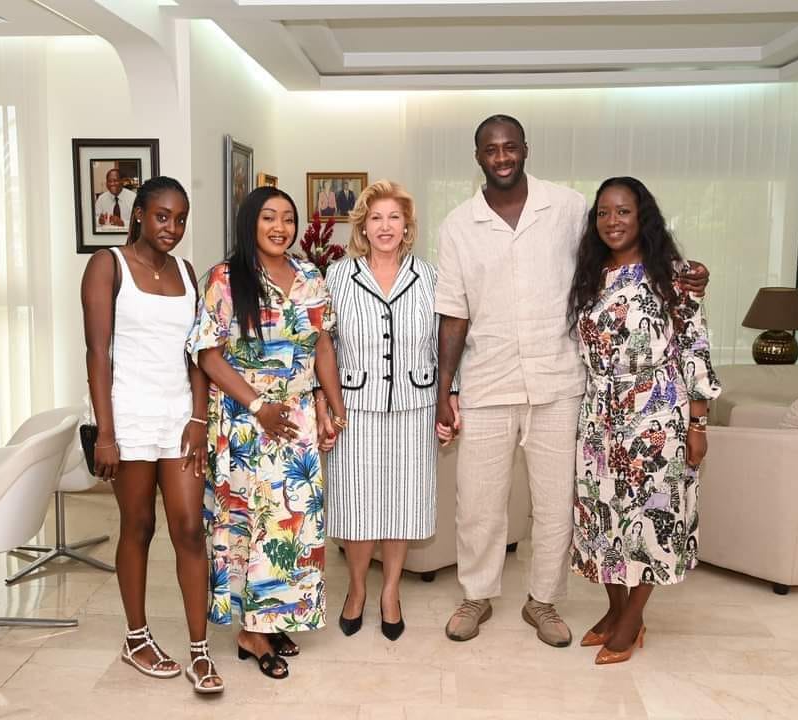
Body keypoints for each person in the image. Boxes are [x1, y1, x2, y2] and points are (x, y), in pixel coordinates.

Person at [434, 115, 710, 647]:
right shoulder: (456, 226)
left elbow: (622, 249)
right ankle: (476, 595)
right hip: (489, 382)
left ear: (525, 149)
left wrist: (685, 273)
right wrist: (446, 389)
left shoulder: (566, 208)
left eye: (510, 146)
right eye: (491, 149)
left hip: (562, 382)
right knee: (478, 502)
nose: (502, 156)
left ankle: (544, 602)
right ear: (477, 156)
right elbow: (452, 313)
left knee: (558, 502)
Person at [188, 186, 346, 680]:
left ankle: (271, 617)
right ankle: (251, 631)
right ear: (250, 223)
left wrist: (334, 406)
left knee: (293, 525)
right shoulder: (224, 277)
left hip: (295, 421)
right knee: (250, 528)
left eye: (288, 219)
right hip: (245, 420)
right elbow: (208, 354)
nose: (280, 227)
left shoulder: (309, 276)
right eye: (269, 218)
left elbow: (321, 345)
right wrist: (257, 406)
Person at [568, 176, 721, 664]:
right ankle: (614, 610)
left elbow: (695, 346)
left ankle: (632, 620)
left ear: (643, 217)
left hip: (655, 410)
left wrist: (698, 424)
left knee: (649, 517)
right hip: (599, 414)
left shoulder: (674, 275)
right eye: (603, 213)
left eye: (623, 212)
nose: (612, 222)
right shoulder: (590, 272)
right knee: (602, 517)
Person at [80, 176, 222, 693]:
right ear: (139, 213)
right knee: (138, 525)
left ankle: (199, 652)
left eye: (181, 219)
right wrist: (107, 433)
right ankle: (136, 637)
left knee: (189, 529)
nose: (172, 228)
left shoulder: (187, 272)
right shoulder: (107, 265)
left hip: (178, 415)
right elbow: (97, 353)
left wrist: (199, 417)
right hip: (129, 415)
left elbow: (198, 354)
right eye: (163, 216)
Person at [318, 180, 459, 641]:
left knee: (402, 505)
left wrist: (450, 398)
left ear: (407, 226)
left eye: (393, 218)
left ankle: (391, 592)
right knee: (357, 507)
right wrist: (325, 403)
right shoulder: (338, 276)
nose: (385, 226)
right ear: (363, 225)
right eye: (375, 218)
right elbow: (325, 346)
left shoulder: (431, 277)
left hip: (414, 408)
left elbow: (448, 345)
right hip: (354, 409)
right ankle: (357, 589)